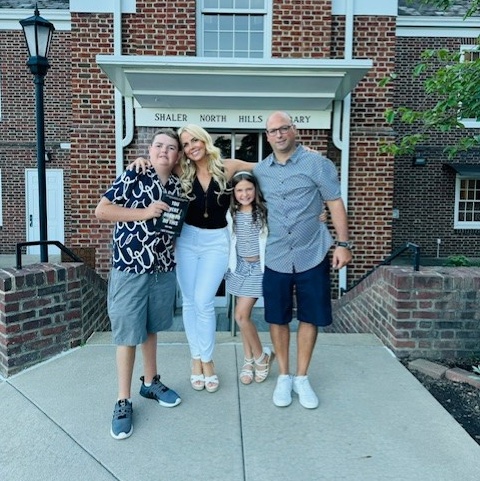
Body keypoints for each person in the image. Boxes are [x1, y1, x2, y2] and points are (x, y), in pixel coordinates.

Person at [130, 125, 253, 393]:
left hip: (216, 243)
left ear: (204, 140)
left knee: (204, 301)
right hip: (186, 240)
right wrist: (141, 159)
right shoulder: (181, 170)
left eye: (194, 140)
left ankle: (207, 360)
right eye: (185, 144)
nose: (190, 147)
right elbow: (156, 163)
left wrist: (300, 154)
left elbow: (264, 168)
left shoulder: (227, 167)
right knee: (189, 301)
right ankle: (196, 359)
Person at [253, 111, 352, 409]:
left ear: (294, 131)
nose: (279, 134)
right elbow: (226, 166)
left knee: (310, 316)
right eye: (273, 131)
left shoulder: (317, 164)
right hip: (276, 255)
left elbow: (334, 202)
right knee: (277, 317)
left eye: (284, 128)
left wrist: (343, 244)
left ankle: (302, 377)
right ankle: (284, 375)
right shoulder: (260, 170)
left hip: (313, 253)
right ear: (267, 137)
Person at [95, 128, 183, 440]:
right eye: (159, 145)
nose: (164, 151)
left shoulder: (177, 186)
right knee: (127, 333)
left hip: (161, 269)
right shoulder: (133, 175)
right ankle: (123, 399)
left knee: (150, 328)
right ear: (150, 149)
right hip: (129, 267)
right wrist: (144, 213)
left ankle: (150, 382)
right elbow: (102, 210)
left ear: (177, 156)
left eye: (171, 148)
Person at [225, 171, 274, 385]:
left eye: (248, 189)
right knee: (242, 318)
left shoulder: (264, 212)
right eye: (239, 190)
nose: (244, 194)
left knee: (241, 316)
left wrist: (318, 215)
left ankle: (261, 357)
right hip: (238, 268)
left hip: (258, 269)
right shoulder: (230, 214)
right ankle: (248, 361)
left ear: (255, 190)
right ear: (234, 193)